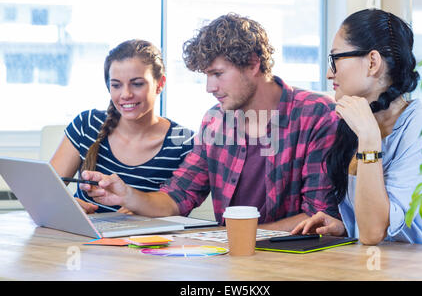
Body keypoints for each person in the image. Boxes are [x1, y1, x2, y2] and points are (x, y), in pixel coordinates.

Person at [80, 13, 340, 231]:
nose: (209, 87)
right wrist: (128, 195)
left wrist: (234, 236)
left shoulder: (316, 114)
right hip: (230, 260)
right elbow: (177, 197)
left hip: (295, 263)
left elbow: (318, 217)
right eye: (207, 75)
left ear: (252, 64)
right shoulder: (215, 121)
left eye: (217, 74)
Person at [291, 9, 422, 245]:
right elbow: (367, 229)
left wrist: (369, 138)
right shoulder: (357, 120)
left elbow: (374, 233)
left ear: (373, 62)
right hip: (368, 268)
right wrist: (344, 228)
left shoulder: (421, 124)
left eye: (336, 59)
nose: (328, 73)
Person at [50, 39, 194, 213]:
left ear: (160, 84)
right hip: (82, 236)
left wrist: (142, 211)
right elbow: (45, 191)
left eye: (137, 84)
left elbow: (177, 206)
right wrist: (67, 206)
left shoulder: (184, 142)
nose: (126, 94)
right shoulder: (87, 124)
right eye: (116, 85)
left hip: (144, 239)